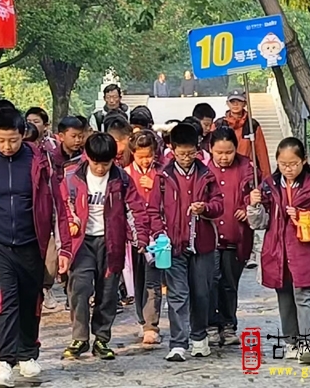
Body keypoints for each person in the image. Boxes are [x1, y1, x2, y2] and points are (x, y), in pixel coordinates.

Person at [0, 108, 72, 387]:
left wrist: (64, 248)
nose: (7, 146)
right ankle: (4, 362)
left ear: (23, 135)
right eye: (1, 141)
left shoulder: (40, 164)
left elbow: (57, 208)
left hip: (32, 244)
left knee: (28, 301)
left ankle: (27, 354)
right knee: (2, 302)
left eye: (13, 140)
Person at [247, 137, 310, 365]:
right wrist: (254, 204)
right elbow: (259, 223)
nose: (288, 169)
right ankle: (290, 341)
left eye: (294, 164)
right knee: (284, 297)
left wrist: (304, 217)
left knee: (305, 296)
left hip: (305, 250)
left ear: (304, 161)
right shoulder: (268, 185)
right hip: (277, 251)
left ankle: (307, 342)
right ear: (277, 161)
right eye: (283, 164)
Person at [61, 133, 149, 360]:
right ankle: (79, 337)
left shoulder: (121, 179)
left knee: (108, 292)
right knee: (79, 288)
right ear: (87, 157)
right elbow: (62, 206)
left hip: (112, 242)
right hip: (82, 242)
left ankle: (101, 338)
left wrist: (141, 237)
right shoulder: (72, 176)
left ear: (113, 160)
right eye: (96, 163)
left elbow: (136, 209)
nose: (100, 168)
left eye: (106, 163)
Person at [146, 123, 223, 362]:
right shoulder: (162, 177)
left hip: (202, 245)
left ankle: (199, 338)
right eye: (182, 153)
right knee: (178, 294)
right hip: (172, 245)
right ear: (172, 149)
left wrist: (206, 208)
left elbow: (219, 205)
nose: (187, 158)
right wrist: (160, 234)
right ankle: (178, 343)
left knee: (201, 292)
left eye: (191, 153)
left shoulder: (207, 174)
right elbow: (152, 211)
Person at [206, 127, 254, 347]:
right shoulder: (203, 170)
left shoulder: (247, 168)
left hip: (237, 235)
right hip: (211, 236)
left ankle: (228, 325)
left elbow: (257, 196)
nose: (224, 157)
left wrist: (248, 208)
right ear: (210, 150)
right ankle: (211, 324)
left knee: (229, 283)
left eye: (229, 152)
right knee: (210, 282)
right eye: (219, 153)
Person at [125, 130, 164, 345]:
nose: (145, 160)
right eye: (140, 156)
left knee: (153, 280)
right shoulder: (124, 173)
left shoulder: (162, 173)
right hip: (132, 235)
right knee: (137, 279)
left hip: (157, 234)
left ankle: (152, 324)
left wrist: (157, 186)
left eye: (148, 155)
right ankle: (141, 318)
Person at [214, 89, 271, 180]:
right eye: (233, 101)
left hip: (246, 173)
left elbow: (261, 154)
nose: (235, 104)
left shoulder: (252, 126)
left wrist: (267, 179)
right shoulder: (218, 124)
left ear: (245, 103)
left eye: (239, 101)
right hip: (223, 172)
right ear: (228, 103)